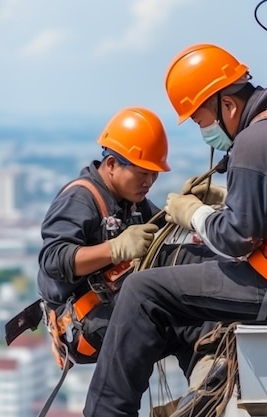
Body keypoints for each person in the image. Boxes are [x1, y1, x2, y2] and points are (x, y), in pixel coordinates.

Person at [83, 43, 267, 417]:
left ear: (227, 104)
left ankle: (105, 412)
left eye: (200, 119)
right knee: (179, 264)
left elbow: (237, 239)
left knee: (143, 290)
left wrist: (193, 213)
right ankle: (203, 380)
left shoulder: (256, 139)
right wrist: (226, 200)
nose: (203, 129)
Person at [37, 105, 218, 376]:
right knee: (178, 318)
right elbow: (53, 260)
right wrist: (115, 249)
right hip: (83, 322)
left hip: (108, 309)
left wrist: (196, 212)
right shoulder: (81, 198)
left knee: (190, 303)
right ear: (111, 164)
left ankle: (205, 380)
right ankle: (206, 378)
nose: (149, 181)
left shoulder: (131, 201)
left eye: (154, 174)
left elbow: (164, 238)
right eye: (142, 173)